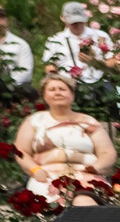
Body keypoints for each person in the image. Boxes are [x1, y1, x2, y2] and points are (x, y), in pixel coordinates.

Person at [15, 71, 116, 204]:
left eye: (62, 89)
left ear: (72, 96)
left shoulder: (88, 121)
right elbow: (20, 151)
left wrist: (97, 167)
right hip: (46, 177)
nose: (57, 93)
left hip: (86, 176)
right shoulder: (34, 121)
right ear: (44, 96)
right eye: (52, 89)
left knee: (85, 202)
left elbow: (108, 152)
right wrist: (34, 169)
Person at [45, 0, 112, 84]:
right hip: (68, 84)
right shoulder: (54, 40)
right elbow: (50, 67)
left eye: (80, 21)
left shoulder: (100, 36)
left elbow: (112, 61)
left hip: (100, 82)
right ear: (63, 18)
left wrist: (95, 62)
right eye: (73, 22)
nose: (78, 25)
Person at [0, 4, 35, 90]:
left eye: (1, 17)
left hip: (13, 87)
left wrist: (6, 85)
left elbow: (26, 73)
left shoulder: (20, 44)